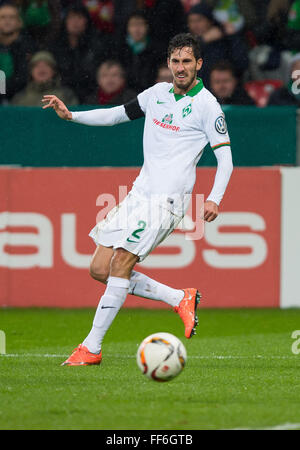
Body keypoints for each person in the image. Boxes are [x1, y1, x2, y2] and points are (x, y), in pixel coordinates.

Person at [42, 33, 233, 367]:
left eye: (187, 61)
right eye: (175, 61)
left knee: (120, 264)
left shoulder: (207, 106)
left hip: (168, 201)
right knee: (99, 268)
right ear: (168, 63)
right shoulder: (157, 94)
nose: (180, 67)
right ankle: (179, 297)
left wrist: (214, 198)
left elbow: (226, 160)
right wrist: (73, 115)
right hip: (138, 194)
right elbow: (116, 114)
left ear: (199, 64)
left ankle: (91, 347)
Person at [187, 3, 249, 87]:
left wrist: (233, 36)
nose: (195, 25)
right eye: (191, 21)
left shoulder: (225, 40)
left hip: (223, 92)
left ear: (210, 21)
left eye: (199, 20)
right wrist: (202, 41)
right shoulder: (186, 41)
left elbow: (242, 63)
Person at [117, 10, 162, 93]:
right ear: (127, 27)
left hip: (151, 93)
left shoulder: (157, 50)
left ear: (147, 27)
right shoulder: (119, 48)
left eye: (141, 24)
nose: (137, 29)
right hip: (124, 95)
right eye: (133, 25)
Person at [11, 50, 78, 106]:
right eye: (37, 65)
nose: (41, 68)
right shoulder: (19, 98)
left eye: (46, 65)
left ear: (54, 71)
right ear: (31, 71)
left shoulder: (66, 95)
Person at [0, 1, 36, 100]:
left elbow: (23, 78)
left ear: (19, 22)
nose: (7, 21)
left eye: (11, 17)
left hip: (20, 98)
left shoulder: (28, 46)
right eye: (3, 17)